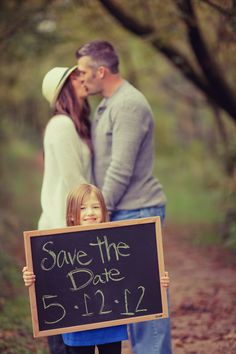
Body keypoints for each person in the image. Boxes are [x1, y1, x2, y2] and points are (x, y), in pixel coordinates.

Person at [76, 40, 172, 354]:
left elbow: (121, 168)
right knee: (128, 302)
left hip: (138, 211)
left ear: (101, 71)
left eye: (83, 72)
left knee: (145, 304)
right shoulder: (108, 103)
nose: (81, 78)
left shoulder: (128, 104)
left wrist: (100, 211)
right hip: (123, 212)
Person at [24, 184, 170, 353]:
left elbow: (135, 273)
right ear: (71, 215)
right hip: (76, 326)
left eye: (95, 207)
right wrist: (30, 278)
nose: (90, 213)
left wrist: (157, 280)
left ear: (104, 212)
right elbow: (47, 278)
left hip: (111, 324)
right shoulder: (59, 246)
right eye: (82, 208)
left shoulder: (117, 241)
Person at [30, 66, 93, 354]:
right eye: (74, 77)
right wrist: (98, 214)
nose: (82, 79)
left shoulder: (72, 125)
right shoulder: (61, 125)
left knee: (73, 318)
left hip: (67, 230)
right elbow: (75, 183)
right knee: (62, 320)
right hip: (60, 231)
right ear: (63, 89)